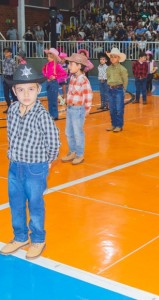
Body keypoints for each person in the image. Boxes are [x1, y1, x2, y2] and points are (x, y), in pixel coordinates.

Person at [0, 63, 60, 259]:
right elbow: (11, 135)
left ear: (38, 90)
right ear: (14, 92)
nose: (26, 94)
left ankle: (38, 239)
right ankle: (20, 236)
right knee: (16, 203)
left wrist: (47, 162)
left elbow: (54, 141)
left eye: (31, 89)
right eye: (21, 89)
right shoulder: (13, 110)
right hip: (15, 166)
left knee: (35, 204)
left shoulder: (42, 115)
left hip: (35, 168)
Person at [61, 53, 93, 165]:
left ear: (79, 66)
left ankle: (79, 154)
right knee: (68, 132)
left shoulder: (83, 80)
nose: (69, 66)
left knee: (77, 132)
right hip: (70, 108)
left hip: (78, 110)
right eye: (69, 63)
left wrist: (87, 109)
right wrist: (66, 101)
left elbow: (88, 94)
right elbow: (71, 92)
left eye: (71, 64)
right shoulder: (73, 78)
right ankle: (72, 151)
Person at [105, 47, 128, 133]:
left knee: (119, 108)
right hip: (110, 90)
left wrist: (123, 90)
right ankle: (113, 124)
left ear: (118, 58)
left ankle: (119, 125)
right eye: (111, 56)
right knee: (112, 108)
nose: (112, 58)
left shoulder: (122, 69)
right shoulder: (108, 68)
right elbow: (108, 78)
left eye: (115, 57)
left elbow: (125, 80)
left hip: (118, 90)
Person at [42, 48, 68, 120]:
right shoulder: (46, 65)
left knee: (54, 100)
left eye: (50, 57)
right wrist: (46, 76)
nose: (48, 58)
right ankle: (51, 114)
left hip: (54, 83)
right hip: (48, 83)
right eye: (48, 56)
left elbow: (64, 73)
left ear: (54, 57)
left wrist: (55, 76)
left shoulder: (57, 65)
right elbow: (43, 71)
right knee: (50, 99)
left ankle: (55, 115)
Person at [2, 47, 18, 113]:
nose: (5, 53)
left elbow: (15, 70)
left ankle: (15, 108)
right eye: (4, 52)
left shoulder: (12, 61)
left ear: (10, 53)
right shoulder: (3, 61)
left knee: (13, 94)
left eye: (7, 52)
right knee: (6, 94)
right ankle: (9, 107)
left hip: (11, 78)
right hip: (5, 78)